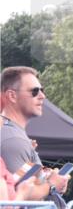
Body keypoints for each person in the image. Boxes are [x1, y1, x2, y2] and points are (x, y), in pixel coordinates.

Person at [1, 66, 68, 200]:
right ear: (12, 96)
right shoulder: (13, 140)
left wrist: (48, 178)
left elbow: (23, 182)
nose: (42, 96)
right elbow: (15, 198)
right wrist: (51, 185)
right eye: (34, 91)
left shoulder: (14, 136)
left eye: (42, 90)